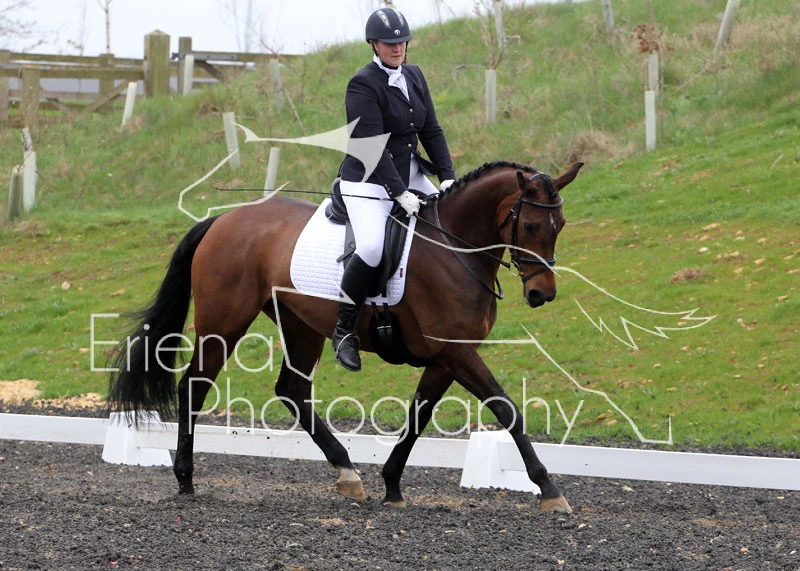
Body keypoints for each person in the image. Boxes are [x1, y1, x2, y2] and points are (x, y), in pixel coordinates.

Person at [332, 7, 457, 372]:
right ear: (374, 44)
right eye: (389, 43)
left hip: (410, 172)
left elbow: (431, 129)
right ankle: (344, 331)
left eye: (402, 42)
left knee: (446, 225)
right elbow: (372, 144)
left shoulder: (414, 75)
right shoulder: (362, 84)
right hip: (367, 180)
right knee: (371, 247)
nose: (398, 48)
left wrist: (447, 177)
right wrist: (399, 192)